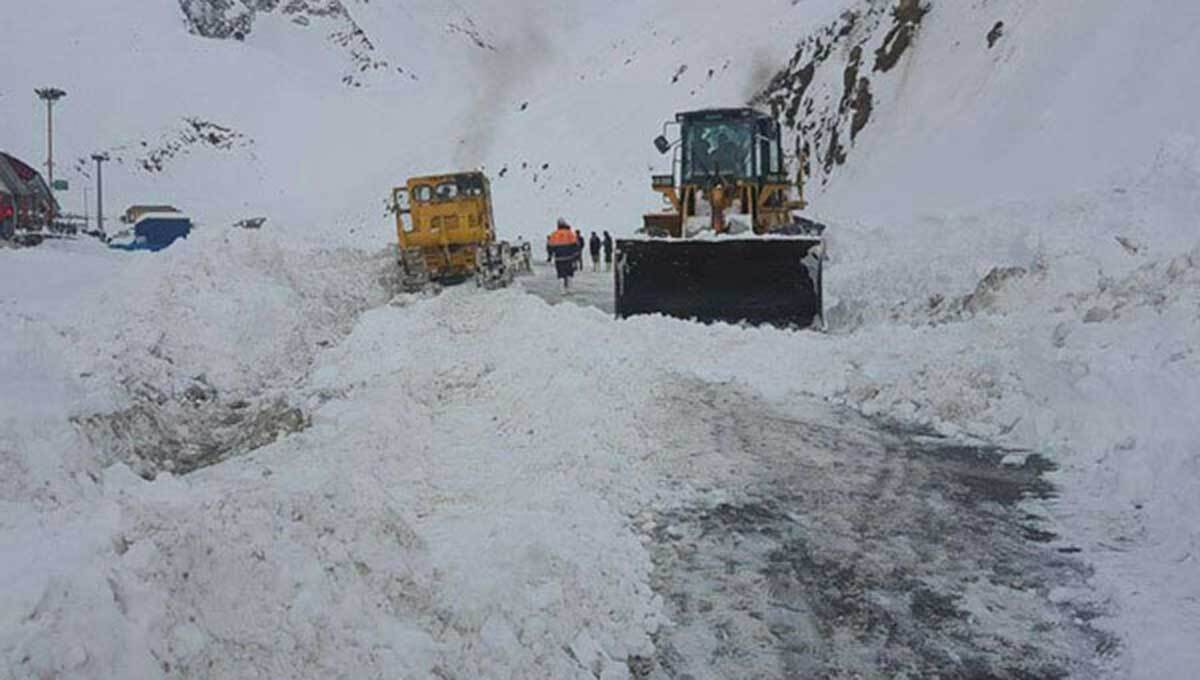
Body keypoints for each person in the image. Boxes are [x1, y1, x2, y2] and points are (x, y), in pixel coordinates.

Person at [548, 218, 580, 291]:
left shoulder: (554, 234)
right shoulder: (570, 233)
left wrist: (550, 255)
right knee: (569, 273)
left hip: (559, 258)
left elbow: (550, 247)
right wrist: (576, 256)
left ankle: (561, 289)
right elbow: (576, 245)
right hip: (569, 257)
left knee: (560, 273)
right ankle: (570, 288)